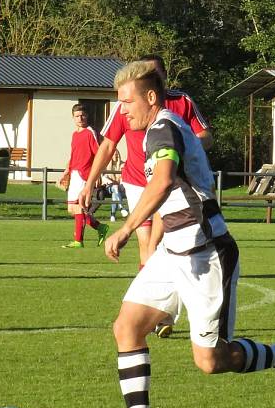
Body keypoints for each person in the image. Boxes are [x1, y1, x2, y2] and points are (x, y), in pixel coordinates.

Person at [93, 60, 275, 408]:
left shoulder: (163, 128)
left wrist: (124, 228)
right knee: (126, 327)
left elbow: (162, 181)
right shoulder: (156, 129)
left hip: (206, 253)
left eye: (126, 102)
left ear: (151, 98)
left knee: (211, 361)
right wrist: (152, 244)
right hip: (172, 252)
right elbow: (168, 202)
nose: (121, 111)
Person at [79, 54, 213, 269]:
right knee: (147, 243)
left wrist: (189, 148)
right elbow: (107, 145)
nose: (124, 109)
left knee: (156, 243)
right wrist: (89, 183)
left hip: (167, 185)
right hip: (137, 180)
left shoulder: (167, 120)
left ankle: (155, 283)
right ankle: (150, 284)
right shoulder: (130, 106)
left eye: (153, 73)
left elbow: (165, 180)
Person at [57, 103, 109, 249]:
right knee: (71, 209)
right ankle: (100, 227)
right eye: (77, 116)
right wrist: (67, 171)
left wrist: (98, 174)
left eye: (82, 115)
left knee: (79, 207)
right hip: (74, 174)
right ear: (73, 118)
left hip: (85, 174)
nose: (80, 118)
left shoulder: (90, 132)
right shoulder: (75, 135)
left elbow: (99, 153)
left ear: (87, 116)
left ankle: (78, 241)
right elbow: (73, 155)